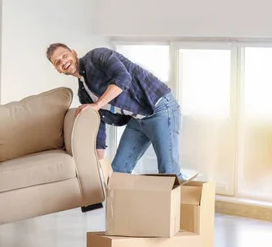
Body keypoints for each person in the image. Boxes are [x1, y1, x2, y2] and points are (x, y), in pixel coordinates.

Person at [46, 44, 182, 179]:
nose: (63, 61)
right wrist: (97, 159)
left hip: (158, 107)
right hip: (138, 118)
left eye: (64, 55)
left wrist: (97, 104)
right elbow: (98, 121)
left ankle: (190, 199)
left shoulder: (97, 56)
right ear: (58, 70)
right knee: (118, 171)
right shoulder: (83, 93)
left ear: (74, 53)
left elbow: (123, 78)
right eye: (58, 62)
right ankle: (122, 201)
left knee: (168, 173)